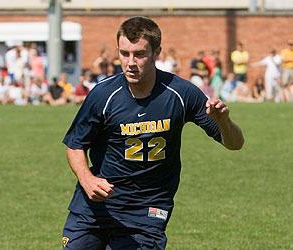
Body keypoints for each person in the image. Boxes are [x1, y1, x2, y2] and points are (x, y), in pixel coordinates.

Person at [61, 16, 244, 250]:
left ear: (157, 52)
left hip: (146, 212)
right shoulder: (102, 95)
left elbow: (235, 144)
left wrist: (225, 122)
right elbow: (75, 144)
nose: (130, 62)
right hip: (95, 208)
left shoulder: (181, 94)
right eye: (124, 53)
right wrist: (87, 179)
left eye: (139, 54)